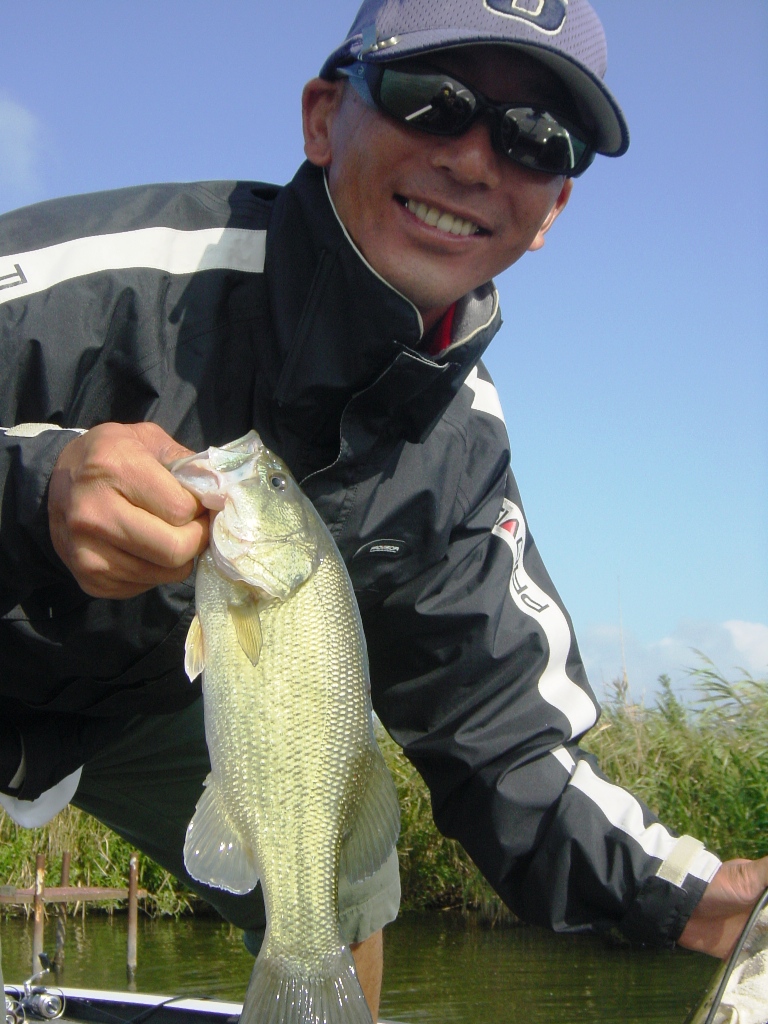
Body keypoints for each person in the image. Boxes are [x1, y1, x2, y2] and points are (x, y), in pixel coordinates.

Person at [1, 0, 766, 1017]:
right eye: (431, 99)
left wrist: (707, 902)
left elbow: (505, 740)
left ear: (554, 209)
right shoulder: (93, 282)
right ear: (323, 117)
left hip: (144, 706)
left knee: (342, 888)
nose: (476, 160)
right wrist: (34, 487)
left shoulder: (456, 452)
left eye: (538, 137)